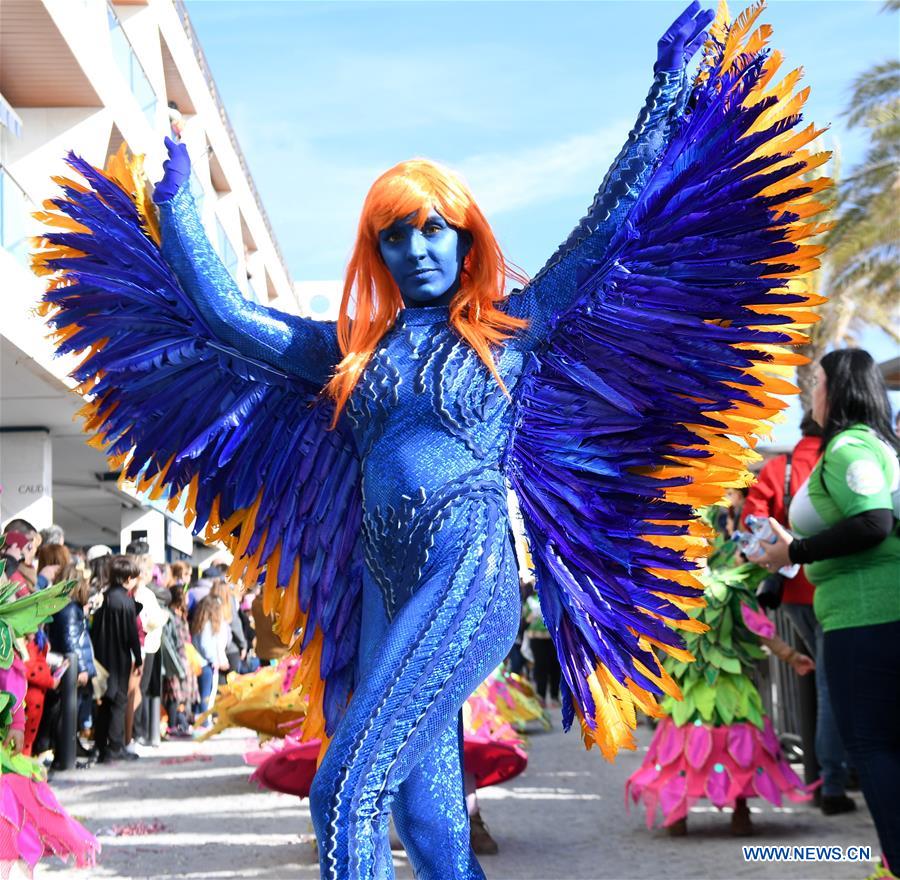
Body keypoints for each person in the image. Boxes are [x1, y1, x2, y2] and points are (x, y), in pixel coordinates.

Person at [34, 2, 833, 875]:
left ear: (464, 236)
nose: (415, 250)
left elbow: (612, 219)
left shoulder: (514, 327)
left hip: (469, 571)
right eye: (393, 236)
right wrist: (179, 201)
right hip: (384, 580)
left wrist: (667, 92)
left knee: (346, 789)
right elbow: (226, 316)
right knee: (426, 817)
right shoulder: (347, 352)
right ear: (374, 251)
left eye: (431, 229)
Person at [752, 348, 900, 879]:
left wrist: (793, 551)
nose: (809, 392)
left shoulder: (848, 447)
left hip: (865, 616)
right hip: (868, 613)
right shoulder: (875, 445)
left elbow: (874, 522)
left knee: (873, 744)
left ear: (837, 390)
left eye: (815, 382)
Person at [742, 415, 854, 815]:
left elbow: (751, 525)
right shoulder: (840, 461)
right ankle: (833, 782)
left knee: (825, 679)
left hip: (792, 592)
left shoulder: (778, 468)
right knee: (832, 683)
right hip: (839, 588)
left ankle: (828, 774)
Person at [91, 555, 142, 763]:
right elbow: (132, 635)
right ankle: (115, 746)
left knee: (104, 702)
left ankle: (100, 747)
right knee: (119, 702)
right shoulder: (126, 602)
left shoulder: (103, 598)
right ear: (128, 578)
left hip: (101, 656)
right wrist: (138, 659)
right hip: (119, 658)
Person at [191, 594, 229, 722]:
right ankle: (205, 723)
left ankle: (201, 721)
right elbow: (205, 645)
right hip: (207, 665)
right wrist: (215, 660)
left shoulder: (199, 623)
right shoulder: (207, 625)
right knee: (207, 696)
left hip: (199, 663)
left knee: (201, 695)